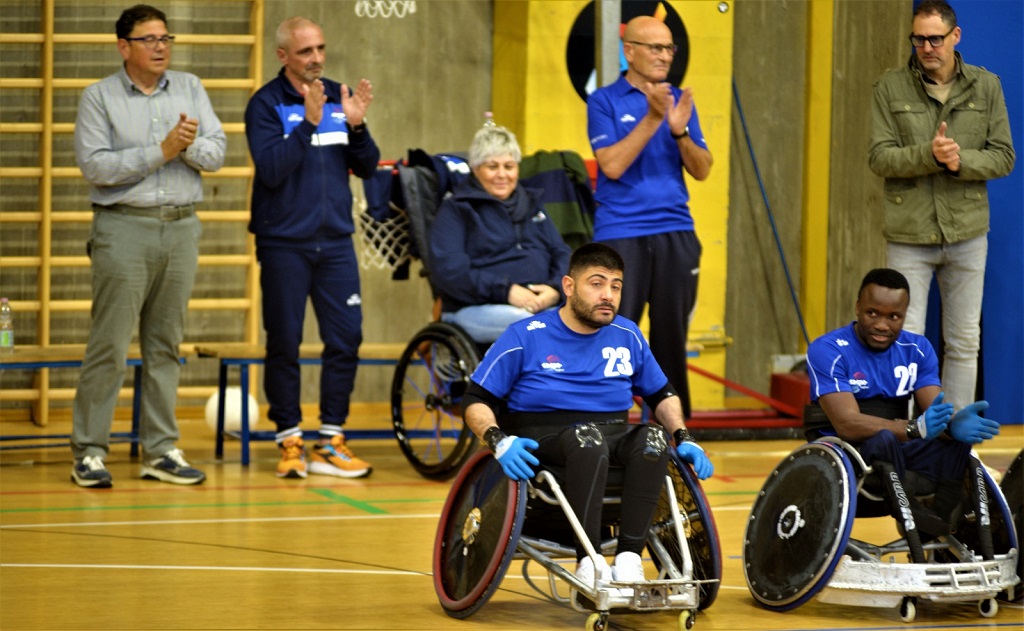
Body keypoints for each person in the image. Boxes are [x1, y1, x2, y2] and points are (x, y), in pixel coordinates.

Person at [462, 243, 714, 596]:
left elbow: (661, 394)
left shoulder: (628, 335)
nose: (607, 295)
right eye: (596, 284)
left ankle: (629, 559)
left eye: (616, 286)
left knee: (653, 439)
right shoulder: (525, 335)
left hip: (610, 432)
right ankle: (589, 561)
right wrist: (497, 440)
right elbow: (476, 400)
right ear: (568, 286)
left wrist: (684, 437)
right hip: (547, 440)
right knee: (587, 439)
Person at [70, 4, 225, 488]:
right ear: (124, 47)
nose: (161, 47)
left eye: (165, 38)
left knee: (165, 345)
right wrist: (161, 152)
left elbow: (216, 152)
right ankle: (90, 451)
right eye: (149, 39)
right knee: (110, 345)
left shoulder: (190, 87)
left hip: (181, 227)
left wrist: (187, 147)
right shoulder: (98, 97)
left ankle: (160, 449)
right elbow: (96, 167)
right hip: (123, 228)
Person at [245, 16, 380, 479]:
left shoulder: (338, 96)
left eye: (320, 48)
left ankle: (331, 439)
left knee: (346, 339)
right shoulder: (265, 104)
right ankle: (289, 440)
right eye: (305, 51)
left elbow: (365, 167)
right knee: (284, 341)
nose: (317, 58)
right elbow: (271, 170)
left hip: (336, 243)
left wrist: (358, 128)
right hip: (284, 244)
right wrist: (307, 124)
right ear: (283, 56)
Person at [868, 0, 1015, 412]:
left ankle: (956, 445)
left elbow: (1004, 156)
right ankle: (908, 437)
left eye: (935, 38)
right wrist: (928, 155)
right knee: (904, 339)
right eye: (919, 39)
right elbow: (879, 157)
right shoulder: (889, 87)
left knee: (965, 340)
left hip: (968, 232)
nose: (927, 47)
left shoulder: (986, 86)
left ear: (956, 36)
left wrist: (959, 161)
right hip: (909, 233)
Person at [805, 268, 1000, 560]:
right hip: (848, 458)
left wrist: (953, 426)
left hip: (896, 448)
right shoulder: (828, 349)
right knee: (884, 439)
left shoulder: (917, 349)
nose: (882, 325)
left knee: (956, 445)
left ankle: (938, 524)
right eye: (872, 313)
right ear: (858, 307)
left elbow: (933, 411)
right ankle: (916, 516)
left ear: (905, 314)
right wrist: (911, 428)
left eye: (893, 317)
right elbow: (847, 423)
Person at [587, 16, 714, 420]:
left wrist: (679, 132)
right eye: (655, 48)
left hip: (675, 231)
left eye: (669, 49)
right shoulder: (603, 100)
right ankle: (605, 417)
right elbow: (611, 166)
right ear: (630, 51)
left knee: (670, 335)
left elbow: (703, 168)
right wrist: (654, 119)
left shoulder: (679, 100)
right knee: (615, 329)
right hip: (620, 234)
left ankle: (674, 432)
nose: (664, 57)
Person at [428, 124, 572, 344]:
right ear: (475, 169)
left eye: (509, 166)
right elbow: (449, 271)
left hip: (540, 303)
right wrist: (505, 292)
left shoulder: (533, 205)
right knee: (533, 328)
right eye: (492, 166)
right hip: (474, 308)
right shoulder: (456, 209)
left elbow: (561, 252)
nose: (502, 175)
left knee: (587, 322)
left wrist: (554, 290)